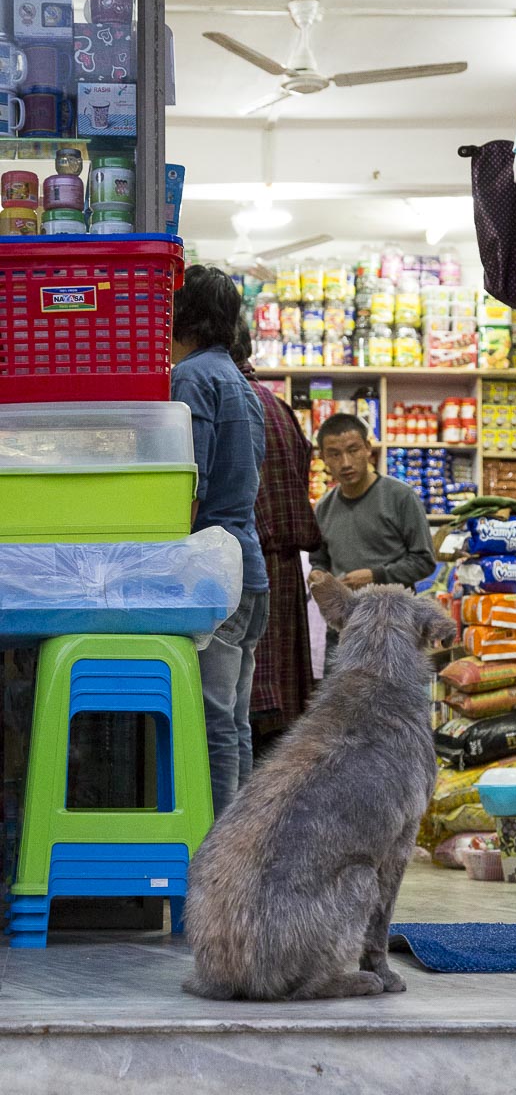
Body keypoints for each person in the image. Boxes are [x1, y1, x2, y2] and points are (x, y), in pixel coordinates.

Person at [170, 266, 269, 816]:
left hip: (212, 574)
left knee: (211, 723)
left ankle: (215, 857)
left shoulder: (192, 378)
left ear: (181, 316)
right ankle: (241, 845)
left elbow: (190, 487)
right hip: (248, 571)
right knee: (234, 721)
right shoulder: (241, 381)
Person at [230, 317, 322, 746]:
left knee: (242, 718)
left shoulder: (223, 398)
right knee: (278, 722)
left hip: (246, 572)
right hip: (281, 574)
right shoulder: (276, 405)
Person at [309, 412, 436, 664]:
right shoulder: (323, 508)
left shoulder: (400, 497)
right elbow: (319, 560)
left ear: (368, 448)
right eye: (334, 454)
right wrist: (319, 576)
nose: (345, 462)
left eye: (353, 450)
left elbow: (424, 561)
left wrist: (376, 575)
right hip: (345, 627)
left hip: (395, 625)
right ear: (323, 458)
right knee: (345, 701)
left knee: (396, 700)